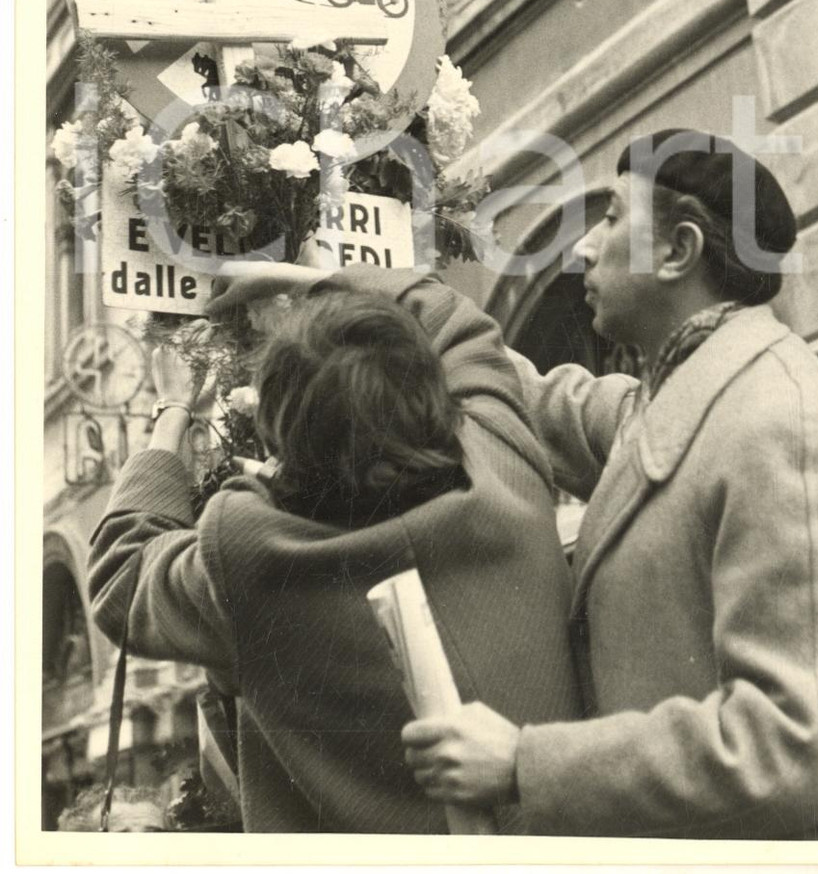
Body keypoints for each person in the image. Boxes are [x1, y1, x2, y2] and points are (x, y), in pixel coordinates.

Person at [208, 129, 818, 839]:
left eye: (613, 219)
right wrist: (335, 296)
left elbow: (799, 742)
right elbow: (506, 384)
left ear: (681, 249)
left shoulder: (786, 418)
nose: (585, 247)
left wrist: (529, 766)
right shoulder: (680, 398)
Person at [88, 283, 581, 833]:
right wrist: (309, 278)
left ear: (275, 434)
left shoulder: (253, 554)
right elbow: (454, 318)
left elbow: (122, 574)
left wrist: (172, 408)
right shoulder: (503, 458)